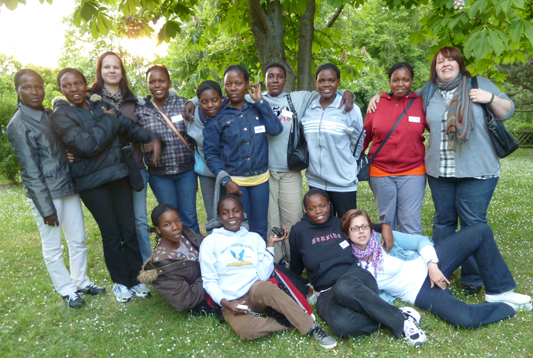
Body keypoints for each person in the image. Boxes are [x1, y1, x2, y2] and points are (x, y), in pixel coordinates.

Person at [368, 47, 515, 295]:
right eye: (440, 61)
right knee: (443, 223)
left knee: (473, 224)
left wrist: (489, 98)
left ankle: (472, 279)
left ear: (459, 63)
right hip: (440, 173)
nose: (445, 64)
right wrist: (377, 97)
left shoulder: (478, 84)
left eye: (450, 60)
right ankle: (441, 270)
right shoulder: (428, 91)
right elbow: (400, 95)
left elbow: (507, 110)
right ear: (434, 67)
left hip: (477, 172)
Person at [51, 68, 161, 303]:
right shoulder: (61, 115)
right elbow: (87, 145)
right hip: (92, 184)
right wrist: (109, 120)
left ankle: (136, 280)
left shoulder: (98, 105)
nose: (73, 89)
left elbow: (127, 128)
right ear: (61, 89)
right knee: (111, 234)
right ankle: (121, 283)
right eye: (67, 86)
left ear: (86, 84)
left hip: (118, 175)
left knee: (128, 230)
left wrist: (150, 137)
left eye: (78, 83)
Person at [7, 69, 105, 309]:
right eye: (27, 87)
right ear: (18, 91)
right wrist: (45, 207)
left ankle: (81, 281)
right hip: (47, 193)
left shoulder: (50, 114)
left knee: (79, 240)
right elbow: (29, 171)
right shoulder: (18, 124)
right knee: (53, 246)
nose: (34, 92)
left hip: (68, 187)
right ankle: (66, 290)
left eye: (38, 86)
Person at [344, 209, 531, 329]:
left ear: (370, 227)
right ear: (347, 234)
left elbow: (420, 241)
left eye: (364, 226)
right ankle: (507, 307)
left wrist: (432, 264)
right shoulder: (349, 264)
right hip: (419, 290)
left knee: (480, 231)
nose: (361, 231)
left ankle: (499, 291)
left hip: (429, 263)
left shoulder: (380, 238)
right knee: (465, 319)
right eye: (355, 228)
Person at [289, 188, 427, 346]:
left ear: (329, 204)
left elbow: (372, 226)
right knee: (343, 326)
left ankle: (401, 322)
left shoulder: (340, 223)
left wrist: (385, 227)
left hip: (356, 280)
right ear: (305, 210)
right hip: (326, 292)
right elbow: (295, 268)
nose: (318, 211)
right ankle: (396, 314)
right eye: (312, 208)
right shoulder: (298, 231)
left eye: (322, 205)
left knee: (344, 286)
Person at [199, 194, 337, 348]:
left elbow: (263, 275)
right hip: (231, 302)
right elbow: (209, 280)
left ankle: (311, 327)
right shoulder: (210, 242)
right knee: (246, 330)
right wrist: (226, 303)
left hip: (254, 291)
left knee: (266, 287)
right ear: (219, 216)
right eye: (225, 212)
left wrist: (270, 245)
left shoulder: (253, 238)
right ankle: (287, 322)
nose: (231, 216)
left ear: (242, 212)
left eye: (236, 211)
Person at [203, 65, 283, 241]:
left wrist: (261, 101)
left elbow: (276, 129)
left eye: (238, 83)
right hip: (235, 183)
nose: (233, 88)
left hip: (260, 180)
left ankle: (261, 266)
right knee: (239, 228)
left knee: (261, 226)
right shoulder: (218, 118)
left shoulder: (257, 109)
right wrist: (226, 180)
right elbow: (211, 154)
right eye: (228, 84)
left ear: (247, 84)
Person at [89, 51, 152, 262]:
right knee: (117, 224)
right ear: (100, 71)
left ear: (122, 72)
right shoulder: (90, 100)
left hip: (135, 167)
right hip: (108, 170)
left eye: (116, 67)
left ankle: (146, 264)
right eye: (107, 67)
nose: (112, 71)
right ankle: (126, 266)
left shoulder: (134, 100)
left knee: (140, 220)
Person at [363, 62, 429, 235]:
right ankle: (390, 259)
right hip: (380, 171)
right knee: (387, 221)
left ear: (412, 81)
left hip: (413, 171)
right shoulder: (377, 105)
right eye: (396, 80)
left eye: (405, 80)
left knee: (410, 222)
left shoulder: (420, 104)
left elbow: (437, 130)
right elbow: (365, 136)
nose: (400, 84)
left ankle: (413, 260)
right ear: (389, 81)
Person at [135, 64, 200, 233]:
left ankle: (196, 254)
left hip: (186, 172)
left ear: (169, 83)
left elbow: (206, 98)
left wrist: (192, 101)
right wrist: (147, 145)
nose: (157, 85)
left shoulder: (182, 104)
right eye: (153, 82)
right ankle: (176, 255)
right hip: (159, 176)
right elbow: (133, 134)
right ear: (148, 85)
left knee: (189, 215)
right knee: (170, 218)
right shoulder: (141, 110)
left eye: (162, 81)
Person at [301, 63, 364, 218]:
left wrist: (350, 161)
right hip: (316, 181)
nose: (326, 84)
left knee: (347, 226)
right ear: (316, 82)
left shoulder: (349, 108)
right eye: (321, 80)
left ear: (338, 82)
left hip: (343, 181)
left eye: (331, 80)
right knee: (322, 228)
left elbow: (358, 139)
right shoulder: (308, 107)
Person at [138, 204, 214, 314]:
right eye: (167, 224)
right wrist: (210, 274)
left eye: (177, 221)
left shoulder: (186, 235)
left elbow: (210, 245)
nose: (175, 227)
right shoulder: (163, 265)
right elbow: (186, 301)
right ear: (158, 230)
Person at [183, 80, 226, 223]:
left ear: (221, 98)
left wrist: (193, 100)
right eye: (204, 102)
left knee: (233, 211)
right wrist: (192, 101)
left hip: (231, 170)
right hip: (207, 172)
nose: (210, 105)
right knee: (213, 215)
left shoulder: (229, 110)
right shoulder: (191, 116)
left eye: (215, 100)